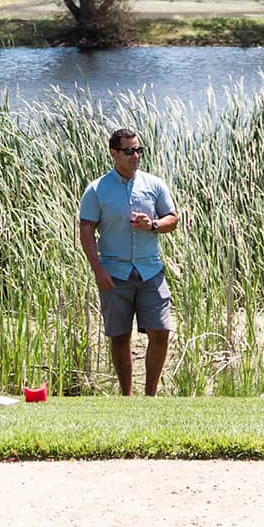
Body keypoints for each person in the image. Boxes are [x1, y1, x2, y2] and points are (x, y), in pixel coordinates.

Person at [77, 127, 178, 396]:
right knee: (120, 336)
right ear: (114, 153)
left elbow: (172, 219)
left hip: (150, 271)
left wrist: (153, 224)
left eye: (139, 150)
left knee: (160, 331)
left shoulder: (153, 184)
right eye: (129, 151)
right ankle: (127, 396)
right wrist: (98, 269)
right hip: (115, 272)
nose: (135, 156)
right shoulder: (97, 189)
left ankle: (150, 395)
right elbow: (86, 230)